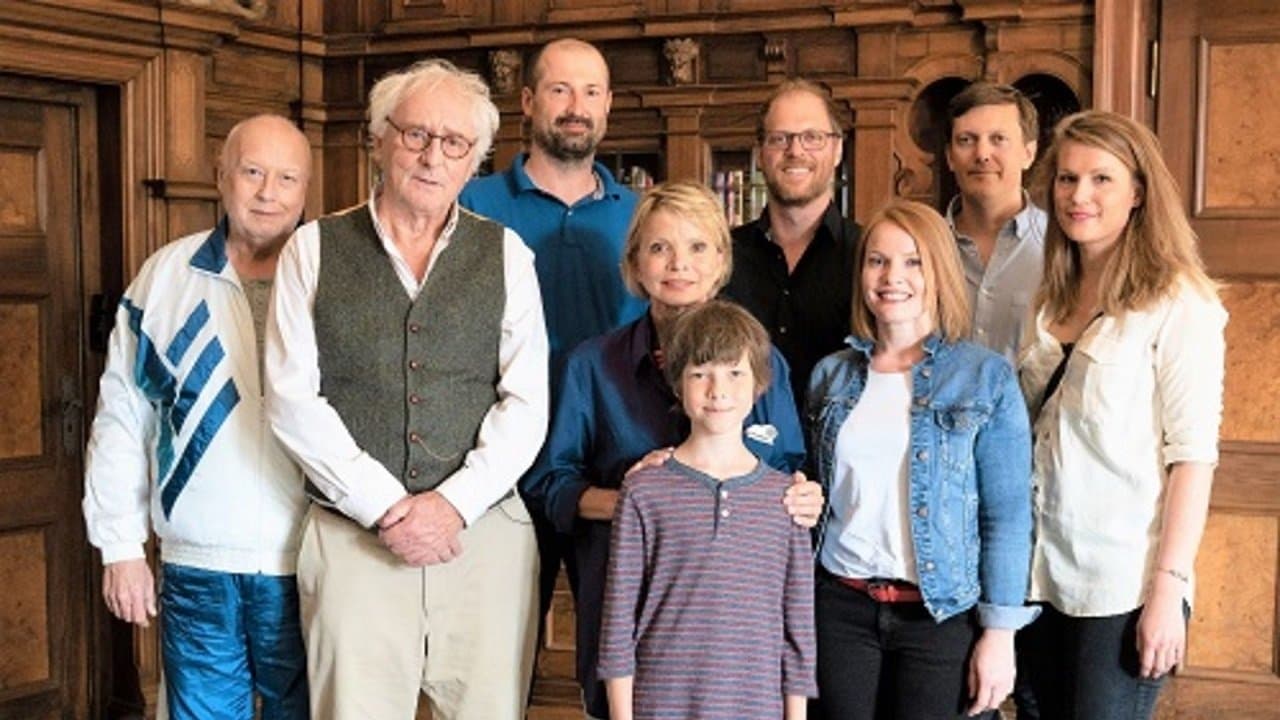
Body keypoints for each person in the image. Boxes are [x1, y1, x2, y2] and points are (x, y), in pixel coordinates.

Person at [264, 58, 548, 719]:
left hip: (482, 538)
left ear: (474, 160)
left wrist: (452, 504)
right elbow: (290, 397)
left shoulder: (507, 254)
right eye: (416, 134)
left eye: (454, 142)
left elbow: (527, 402)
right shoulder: (312, 249)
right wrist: (387, 507)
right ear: (379, 138)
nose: (432, 156)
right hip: (353, 538)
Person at [526, 180, 808, 719]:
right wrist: (632, 501)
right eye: (660, 247)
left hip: (738, 635)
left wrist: (801, 495)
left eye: (698, 246)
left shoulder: (763, 362)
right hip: (628, 617)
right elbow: (549, 484)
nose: (680, 264)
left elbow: (789, 468)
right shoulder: (591, 366)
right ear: (635, 262)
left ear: (721, 259)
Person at [82, 114, 312, 719]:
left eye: (287, 177)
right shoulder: (165, 279)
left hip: (315, 560)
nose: (268, 192)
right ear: (220, 176)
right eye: (252, 172)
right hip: (199, 565)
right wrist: (120, 546)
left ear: (306, 188)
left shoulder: (333, 279)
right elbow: (122, 418)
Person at [1017, 110, 1227, 720]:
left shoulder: (1179, 301)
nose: (1078, 195)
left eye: (1101, 179)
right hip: (1036, 575)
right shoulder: (1048, 298)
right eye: (1067, 178)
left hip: (1119, 585)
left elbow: (1193, 458)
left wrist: (1168, 588)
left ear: (1137, 192)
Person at [807, 199, 1036, 720]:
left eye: (913, 261)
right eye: (877, 261)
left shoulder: (985, 378)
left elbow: (1007, 516)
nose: (893, 277)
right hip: (841, 609)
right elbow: (811, 498)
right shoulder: (830, 376)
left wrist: (1000, 634)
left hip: (941, 616)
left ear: (939, 273)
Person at [459, 37, 646, 643]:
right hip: (498, 467)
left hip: (611, 467)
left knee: (613, 657)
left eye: (591, 92)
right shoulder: (472, 205)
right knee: (496, 657)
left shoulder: (642, 216)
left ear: (608, 104)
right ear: (527, 100)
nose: (576, 107)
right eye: (560, 90)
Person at [597, 300, 817, 720]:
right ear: (678, 383)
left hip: (757, 708)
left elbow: (798, 632)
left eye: (735, 373)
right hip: (659, 706)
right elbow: (619, 622)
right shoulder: (643, 492)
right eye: (700, 373)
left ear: (759, 384)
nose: (718, 391)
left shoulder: (786, 499)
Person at [721, 78, 861, 417]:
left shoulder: (869, 256)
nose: (796, 151)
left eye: (812, 137)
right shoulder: (721, 257)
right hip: (740, 445)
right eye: (779, 138)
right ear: (760, 153)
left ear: (837, 150)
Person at [943, 81, 1047, 363]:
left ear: (1029, 153)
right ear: (950, 157)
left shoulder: (1060, 247)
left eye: (998, 139)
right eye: (966, 140)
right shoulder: (920, 248)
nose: (982, 154)